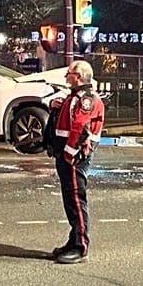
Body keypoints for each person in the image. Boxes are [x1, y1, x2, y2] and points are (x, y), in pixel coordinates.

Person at [44, 59, 105, 265]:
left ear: (78, 76)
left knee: (76, 200)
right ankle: (74, 240)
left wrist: (69, 153)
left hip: (75, 156)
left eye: (69, 73)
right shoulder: (74, 97)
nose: (65, 76)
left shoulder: (87, 99)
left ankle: (80, 247)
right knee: (70, 199)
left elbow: (80, 126)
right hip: (66, 154)